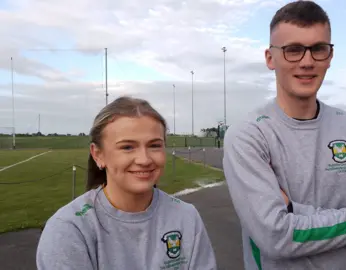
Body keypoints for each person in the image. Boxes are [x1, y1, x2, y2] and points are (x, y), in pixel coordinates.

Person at [222, 1, 346, 269]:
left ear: (329, 56)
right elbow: (275, 236)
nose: (307, 61)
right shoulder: (248, 135)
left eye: (318, 49)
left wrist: (293, 211)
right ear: (271, 58)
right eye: (293, 50)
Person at [36, 96, 217, 270]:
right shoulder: (70, 229)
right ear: (98, 154)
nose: (144, 159)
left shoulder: (186, 217)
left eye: (154, 145)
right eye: (127, 147)